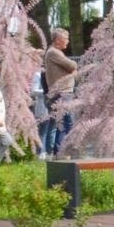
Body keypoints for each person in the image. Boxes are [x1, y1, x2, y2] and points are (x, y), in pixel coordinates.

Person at [42, 27, 78, 158]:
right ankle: (62, 152)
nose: (67, 41)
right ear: (57, 40)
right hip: (62, 93)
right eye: (66, 38)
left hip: (62, 92)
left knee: (62, 123)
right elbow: (72, 65)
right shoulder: (53, 53)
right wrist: (72, 71)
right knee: (67, 123)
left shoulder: (55, 53)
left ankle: (59, 152)